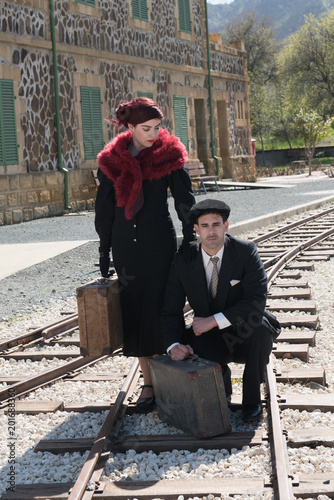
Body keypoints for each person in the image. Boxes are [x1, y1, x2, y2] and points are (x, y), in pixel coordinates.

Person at [95, 97, 196, 411]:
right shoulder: (113, 160)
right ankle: (149, 384)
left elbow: (184, 199)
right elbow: (105, 210)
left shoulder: (168, 156)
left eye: (156, 127)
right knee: (136, 312)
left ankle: (172, 375)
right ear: (130, 127)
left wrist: (190, 236)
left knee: (163, 309)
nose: (153, 133)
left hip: (159, 245)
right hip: (126, 248)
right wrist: (104, 248)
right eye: (145, 128)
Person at [161, 199, 281, 422]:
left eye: (216, 224)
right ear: (196, 230)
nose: (211, 231)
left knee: (262, 330)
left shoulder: (246, 251)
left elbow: (256, 301)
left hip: (245, 331)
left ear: (226, 226)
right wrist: (173, 344)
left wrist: (213, 320)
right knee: (196, 348)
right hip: (209, 338)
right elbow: (170, 309)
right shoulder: (184, 260)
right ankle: (222, 391)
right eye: (205, 226)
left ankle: (252, 403)